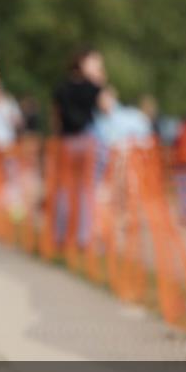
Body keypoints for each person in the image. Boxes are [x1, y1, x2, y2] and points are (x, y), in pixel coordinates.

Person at [50, 47, 107, 250]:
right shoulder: (92, 86)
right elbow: (106, 107)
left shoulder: (61, 88)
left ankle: (60, 236)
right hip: (87, 140)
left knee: (63, 189)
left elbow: (56, 118)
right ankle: (83, 238)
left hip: (67, 142)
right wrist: (99, 79)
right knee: (85, 190)